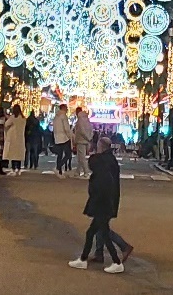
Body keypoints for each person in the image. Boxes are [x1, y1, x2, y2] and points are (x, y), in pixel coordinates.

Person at [70, 135, 128, 273]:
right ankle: (84, 259)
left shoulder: (101, 163)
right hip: (107, 201)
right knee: (93, 232)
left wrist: (96, 198)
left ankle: (116, 261)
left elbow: (101, 182)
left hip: (102, 202)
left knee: (103, 233)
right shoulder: (110, 161)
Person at [70, 106, 92, 177]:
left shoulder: (80, 120)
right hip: (86, 141)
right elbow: (91, 130)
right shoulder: (87, 119)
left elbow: (81, 131)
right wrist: (89, 138)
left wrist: (86, 137)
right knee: (80, 157)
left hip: (80, 140)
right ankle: (77, 171)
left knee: (81, 158)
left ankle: (86, 172)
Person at [51, 105, 73, 173]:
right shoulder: (63, 116)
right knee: (68, 154)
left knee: (59, 155)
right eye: (66, 108)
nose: (67, 109)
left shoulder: (56, 117)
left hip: (57, 138)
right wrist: (70, 136)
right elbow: (66, 128)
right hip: (64, 138)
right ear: (63, 108)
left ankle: (59, 171)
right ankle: (58, 167)